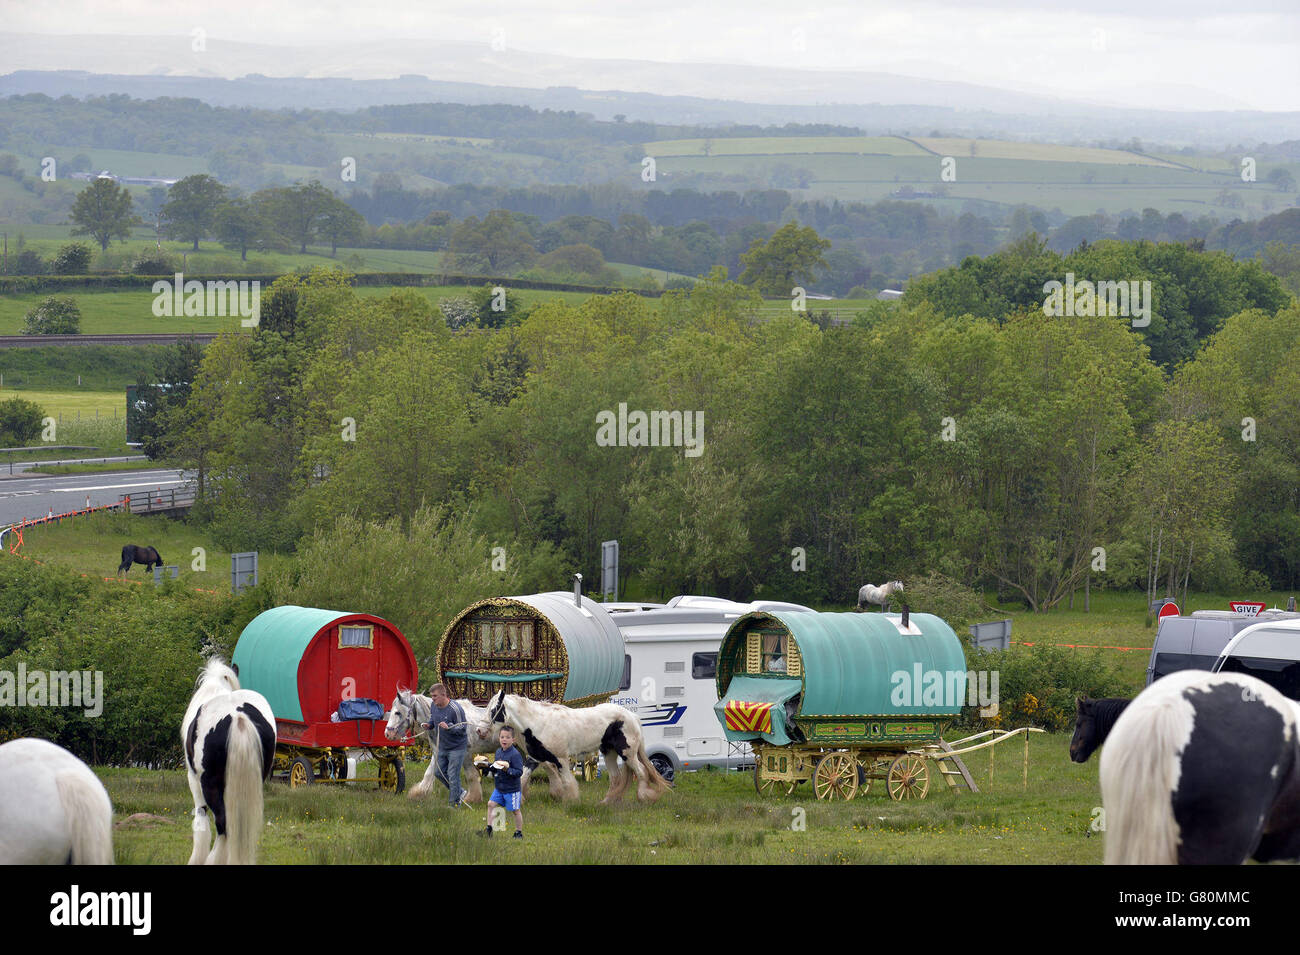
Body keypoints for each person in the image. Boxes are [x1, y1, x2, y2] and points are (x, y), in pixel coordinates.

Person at [422, 683, 467, 808]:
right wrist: (429, 725)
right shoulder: (433, 706)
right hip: (442, 746)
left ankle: (453, 805)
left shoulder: (455, 708)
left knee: (453, 775)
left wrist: (449, 728)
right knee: (438, 773)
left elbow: (463, 728)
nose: (433, 699)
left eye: (435, 696)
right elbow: (433, 718)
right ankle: (460, 792)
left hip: (457, 747)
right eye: (432, 696)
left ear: (443, 695)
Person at [480, 725, 524, 839]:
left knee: (515, 810)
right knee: (490, 804)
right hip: (499, 787)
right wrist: (486, 766)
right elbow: (495, 767)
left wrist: (507, 770)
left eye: (508, 737)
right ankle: (489, 830)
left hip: (512, 789)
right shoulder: (498, 752)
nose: (504, 739)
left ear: (513, 740)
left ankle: (518, 832)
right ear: (499, 738)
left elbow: (519, 772)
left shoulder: (515, 755)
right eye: (502, 737)